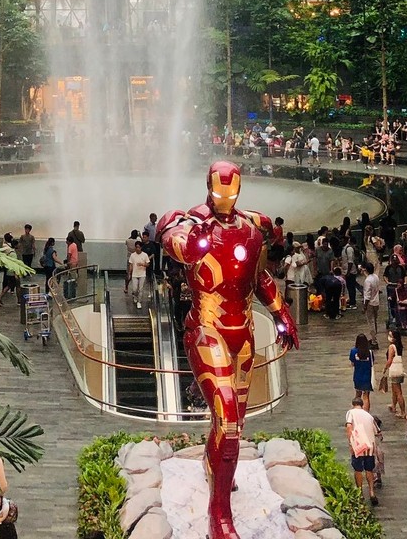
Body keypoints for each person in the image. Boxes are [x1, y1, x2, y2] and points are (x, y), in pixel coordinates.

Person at [158, 161, 299, 539]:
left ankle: (213, 465)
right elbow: (172, 240)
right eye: (220, 192)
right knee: (229, 422)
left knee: (234, 418)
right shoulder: (191, 223)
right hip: (207, 331)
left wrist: (281, 312)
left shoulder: (252, 230)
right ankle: (219, 514)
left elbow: (260, 278)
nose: (225, 198)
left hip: (244, 335)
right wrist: (191, 237)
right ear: (209, 187)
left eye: (231, 192)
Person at [345, 395, 380, 507]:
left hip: (359, 445)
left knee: (358, 469)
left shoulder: (350, 413)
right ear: (362, 405)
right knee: (369, 469)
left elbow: (349, 427)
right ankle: (371, 492)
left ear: (352, 405)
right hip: (370, 446)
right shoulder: (369, 415)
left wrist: (351, 442)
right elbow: (377, 431)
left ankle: (360, 493)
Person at [382, 327, 405, 416]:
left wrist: (385, 368)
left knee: (398, 392)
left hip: (394, 370)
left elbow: (389, 360)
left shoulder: (392, 347)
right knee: (394, 390)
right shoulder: (399, 346)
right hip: (399, 369)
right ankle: (393, 406)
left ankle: (403, 412)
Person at [350, 334, 374, 410]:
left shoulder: (353, 351)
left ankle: (355, 411)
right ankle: (366, 413)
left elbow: (352, 364)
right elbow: (372, 364)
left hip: (357, 376)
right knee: (366, 396)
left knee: (358, 394)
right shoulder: (369, 352)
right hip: (367, 376)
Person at [362, 261, 381, 344]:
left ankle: (374, 340)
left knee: (371, 322)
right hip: (376, 301)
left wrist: (364, 307)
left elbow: (367, 296)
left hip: (370, 303)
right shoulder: (376, 277)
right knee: (375, 320)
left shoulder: (367, 281)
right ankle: (374, 337)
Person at [127, 239, 150, 308]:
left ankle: (139, 301)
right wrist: (129, 273)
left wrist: (143, 264)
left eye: (139, 247)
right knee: (134, 288)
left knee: (140, 289)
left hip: (142, 274)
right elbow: (131, 264)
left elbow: (148, 264)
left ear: (141, 248)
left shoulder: (145, 255)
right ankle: (135, 296)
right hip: (134, 274)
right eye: (136, 247)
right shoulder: (132, 255)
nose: (137, 249)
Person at [0, 232, 18, 305]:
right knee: (14, 285)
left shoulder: (5, 247)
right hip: (12, 271)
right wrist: (16, 273)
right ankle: (0, 298)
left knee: (9, 285)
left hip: (8, 269)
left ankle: (0, 298)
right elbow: (14, 264)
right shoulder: (12, 252)